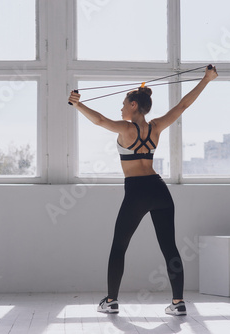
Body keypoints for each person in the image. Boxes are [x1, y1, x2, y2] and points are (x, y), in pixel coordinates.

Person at [68, 65, 218, 316]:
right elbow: (182, 106)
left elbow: (101, 120)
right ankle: (178, 302)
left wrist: (78, 105)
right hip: (159, 190)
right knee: (169, 247)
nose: (122, 108)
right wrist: (206, 79)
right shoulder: (156, 127)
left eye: (124, 103)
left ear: (134, 105)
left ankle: (111, 301)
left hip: (137, 191)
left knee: (119, 246)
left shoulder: (126, 129)